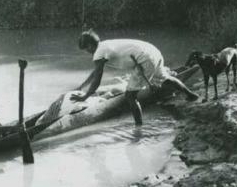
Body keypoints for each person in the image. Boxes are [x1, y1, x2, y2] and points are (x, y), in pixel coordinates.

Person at [71, 30, 199, 125]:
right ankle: (191, 95)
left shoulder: (99, 52)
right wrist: (82, 86)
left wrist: (85, 96)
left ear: (90, 45)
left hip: (144, 59)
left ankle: (139, 127)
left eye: (86, 49)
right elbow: (96, 72)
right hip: (153, 52)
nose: (87, 52)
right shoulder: (104, 45)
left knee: (130, 96)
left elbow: (98, 78)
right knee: (164, 77)